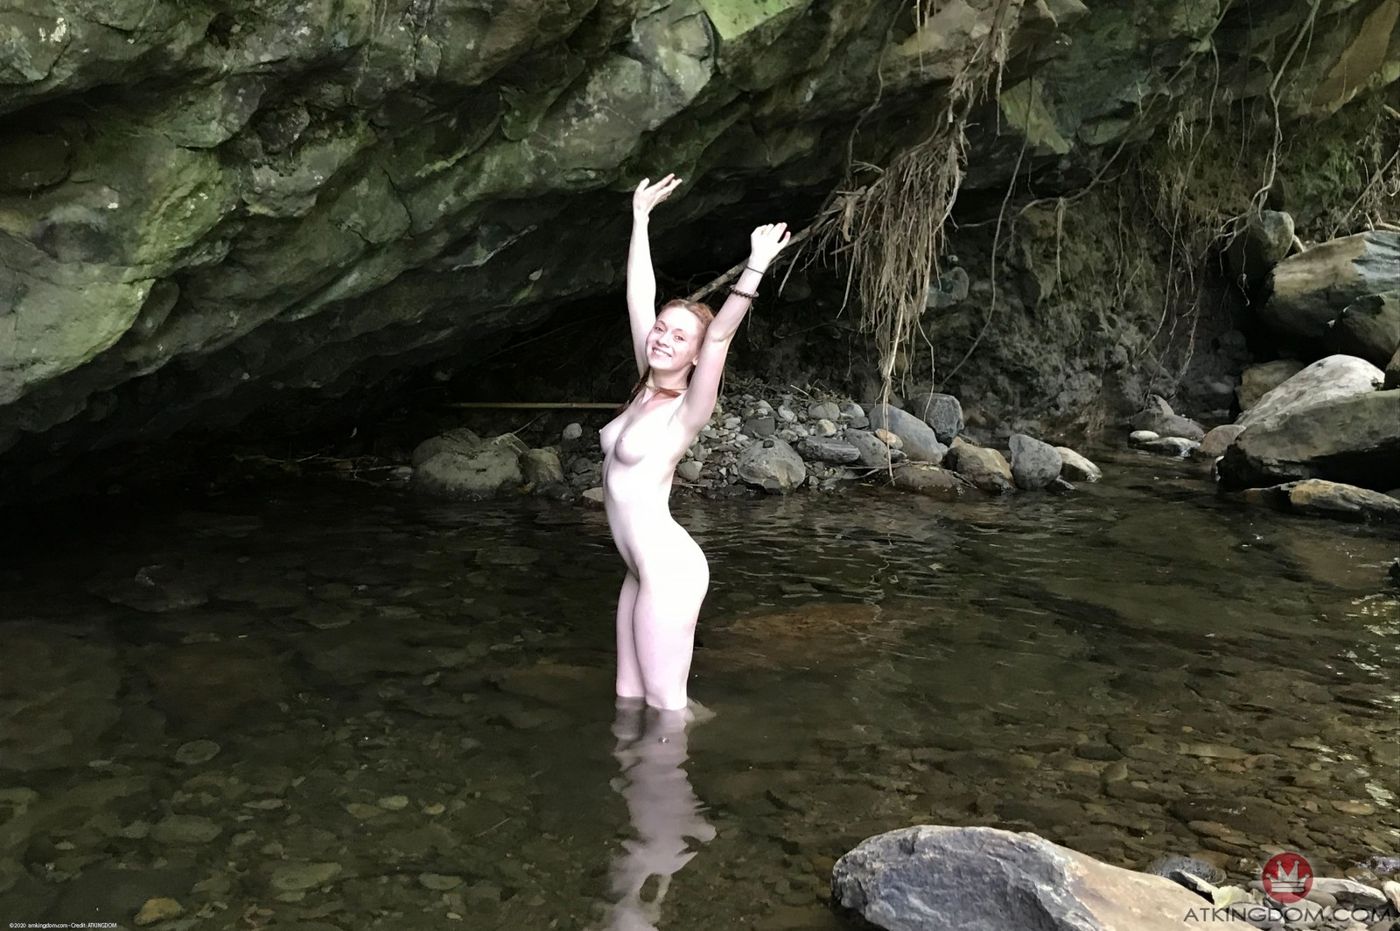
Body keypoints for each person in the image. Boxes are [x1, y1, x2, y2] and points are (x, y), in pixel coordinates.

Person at [598, 173, 791, 712]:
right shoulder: (644, 385)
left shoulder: (688, 409)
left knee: (666, 707)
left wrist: (756, 264)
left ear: (694, 356)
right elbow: (639, 296)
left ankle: (699, 753)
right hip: (639, 570)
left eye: (679, 337)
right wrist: (640, 219)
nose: (662, 339)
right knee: (628, 698)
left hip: (670, 570)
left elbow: (721, 334)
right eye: (661, 329)